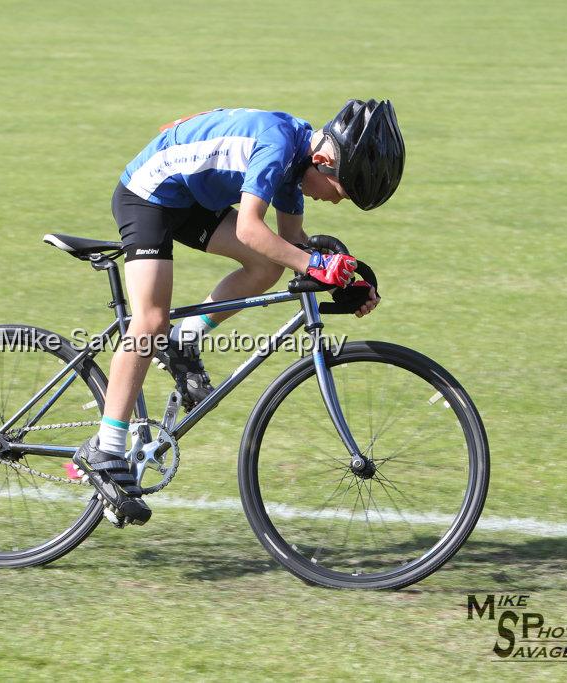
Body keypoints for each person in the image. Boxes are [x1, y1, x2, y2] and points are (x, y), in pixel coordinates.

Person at [73, 100, 406, 526]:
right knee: (151, 321)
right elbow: (251, 229)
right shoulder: (278, 147)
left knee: (265, 265)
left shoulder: (297, 162)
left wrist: (347, 281)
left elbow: (290, 244)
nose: (336, 203)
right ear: (322, 162)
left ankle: (185, 339)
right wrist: (315, 264)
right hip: (149, 194)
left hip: (192, 197)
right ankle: (105, 446)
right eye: (341, 193)